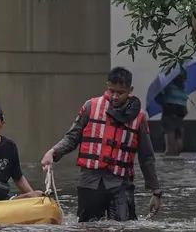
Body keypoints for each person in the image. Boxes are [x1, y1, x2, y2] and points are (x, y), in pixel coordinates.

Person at [39, 66, 162, 222]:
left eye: (120, 92)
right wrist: (53, 152)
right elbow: (72, 137)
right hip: (90, 181)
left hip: (120, 183)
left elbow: (147, 157)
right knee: (88, 230)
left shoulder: (139, 117)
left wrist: (156, 192)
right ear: (107, 86)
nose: (115, 96)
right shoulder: (91, 107)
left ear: (130, 90)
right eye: (112, 91)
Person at [157, 70, 188, 156]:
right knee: (178, 128)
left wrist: (162, 102)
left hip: (170, 107)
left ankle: (171, 151)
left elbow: (159, 97)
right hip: (181, 109)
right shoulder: (182, 88)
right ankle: (177, 148)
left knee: (169, 129)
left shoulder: (168, 86)